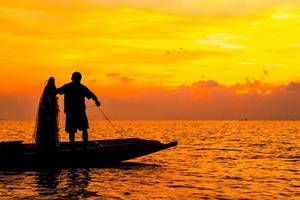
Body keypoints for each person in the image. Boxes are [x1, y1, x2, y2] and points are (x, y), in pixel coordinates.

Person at [56, 72, 100, 146]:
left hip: (73, 112)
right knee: (83, 129)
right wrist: (97, 101)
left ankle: (73, 146)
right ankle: (84, 146)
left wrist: (96, 100)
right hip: (78, 112)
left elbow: (56, 91)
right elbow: (92, 95)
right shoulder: (81, 87)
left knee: (73, 131)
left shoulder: (68, 87)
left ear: (72, 78)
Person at [34, 77, 59, 153]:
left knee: (51, 131)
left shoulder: (52, 93)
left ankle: (50, 145)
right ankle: (46, 146)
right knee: (47, 131)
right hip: (47, 117)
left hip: (51, 116)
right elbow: (45, 106)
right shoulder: (47, 94)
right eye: (51, 81)